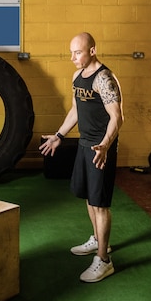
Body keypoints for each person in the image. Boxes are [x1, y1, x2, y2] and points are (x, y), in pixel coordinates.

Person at [39, 32, 123, 283]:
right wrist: (59, 136)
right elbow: (76, 110)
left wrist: (105, 145)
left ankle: (104, 261)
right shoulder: (77, 77)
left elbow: (117, 118)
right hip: (85, 145)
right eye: (71, 52)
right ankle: (99, 242)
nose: (73, 57)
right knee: (88, 196)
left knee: (100, 203)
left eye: (78, 52)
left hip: (100, 148)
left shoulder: (104, 79)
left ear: (92, 51)